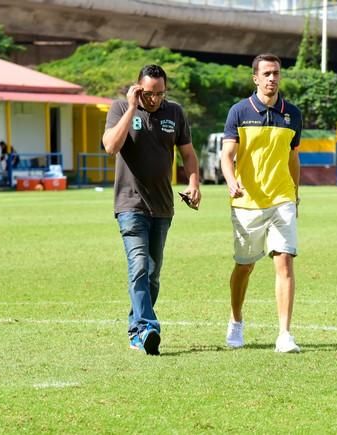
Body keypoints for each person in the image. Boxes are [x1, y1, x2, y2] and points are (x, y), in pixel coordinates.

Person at [102, 64, 201, 355]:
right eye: (148, 93)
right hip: (130, 205)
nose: (154, 99)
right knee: (139, 266)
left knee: (153, 274)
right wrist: (133, 108)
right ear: (137, 88)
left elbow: (188, 153)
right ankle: (148, 327)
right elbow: (110, 146)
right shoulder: (120, 108)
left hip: (162, 207)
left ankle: (137, 330)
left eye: (160, 93)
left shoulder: (175, 113)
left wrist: (194, 183)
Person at [221, 53, 303, 353]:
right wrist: (231, 180)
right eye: (267, 73)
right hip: (247, 203)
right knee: (244, 266)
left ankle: (284, 334)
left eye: (276, 73)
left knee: (284, 260)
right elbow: (226, 154)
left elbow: (294, 157)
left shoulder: (292, 114)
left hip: (282, 199)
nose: (272, 78)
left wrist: (295, 194)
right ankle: (236, 320)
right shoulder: (239, 112)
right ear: (255, 78)